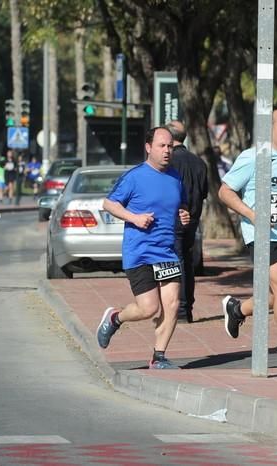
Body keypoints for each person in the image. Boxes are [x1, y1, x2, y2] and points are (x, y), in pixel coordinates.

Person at [218, 104, 277, 374]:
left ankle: (238, 310)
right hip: (260, 234)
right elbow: (225, 192)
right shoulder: (253, 157)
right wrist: (253, 215)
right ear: (268, 129)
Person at [96, 126, 190, 369]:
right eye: (161, 146)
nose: (167, 151)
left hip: (166, 251)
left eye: (170, 146)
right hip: (139, 252)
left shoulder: (176, 178)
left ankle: (159, 357)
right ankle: (115, 318)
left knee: (171, 305)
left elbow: (177, 206)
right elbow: (109, 203)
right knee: (149, 308)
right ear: (149, 148)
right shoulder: (134, 176)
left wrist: (183, 214)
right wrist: (134, 218)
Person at [166, 121, 208, 324]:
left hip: (173, 220)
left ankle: (179, 309)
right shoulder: (199, 163)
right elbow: (204, 193)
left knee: (176, 262)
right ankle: (186, 308)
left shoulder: (169, 161)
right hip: (193, 219)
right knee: (187, 263)